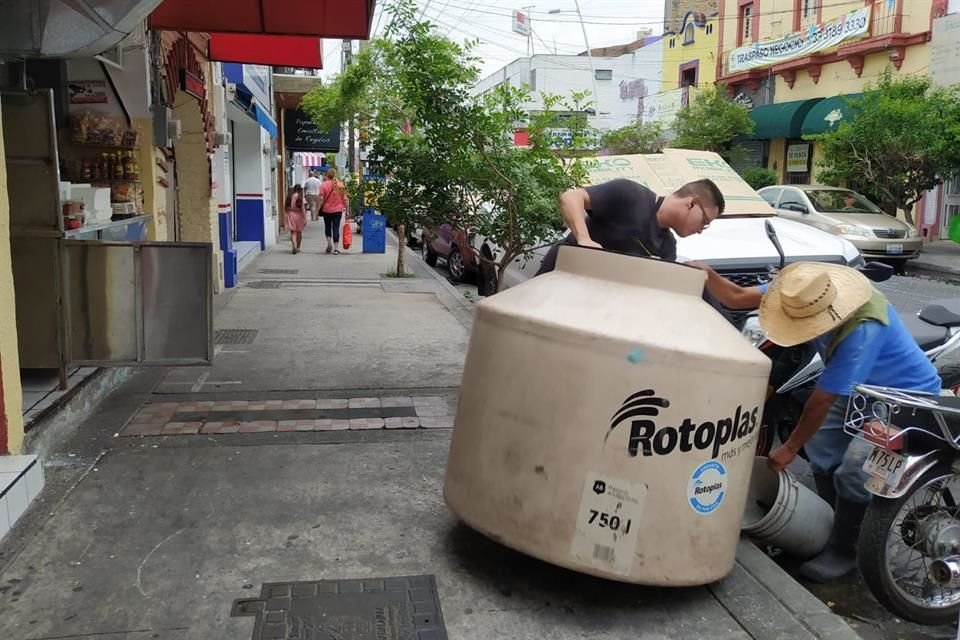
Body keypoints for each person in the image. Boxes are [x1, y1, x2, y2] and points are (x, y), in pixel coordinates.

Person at [700, 261, 942, 583]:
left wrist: (789, 448)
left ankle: (846, 550)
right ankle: (825, 530)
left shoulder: (862, 328)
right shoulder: (802, 292)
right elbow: (736, 295)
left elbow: (822, 398)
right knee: (822, 446)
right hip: (860, 389)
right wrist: (703, 273)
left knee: (857, 468)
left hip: (906, 399)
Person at [535, 178, 726, 275]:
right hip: (557, 281)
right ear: (692, 203)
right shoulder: (631, 194)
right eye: (705, 221)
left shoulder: (667, 247)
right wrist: (584, 239)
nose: (701, 229)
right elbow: (571, 197)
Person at [318, 168, 349, 254]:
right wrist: (347, 210)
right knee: (336, 227)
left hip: (326, 210)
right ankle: (336, 248)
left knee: (327, 227)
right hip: (338, 210)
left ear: (327, 175)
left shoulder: (323, 185)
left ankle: (329, 243)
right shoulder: (340, 185)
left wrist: (317, 209)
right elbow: (345, 199)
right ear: (335, 175)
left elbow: (321, 199)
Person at [284, 184, 307, 254]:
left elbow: (286, 208)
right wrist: (305, 218)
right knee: (299, 232)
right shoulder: (300, 198)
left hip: (291, 214)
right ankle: (298, 247)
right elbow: (303, 208)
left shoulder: (290, 197)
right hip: (299, 216)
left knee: (293, 232)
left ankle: (294, 243)